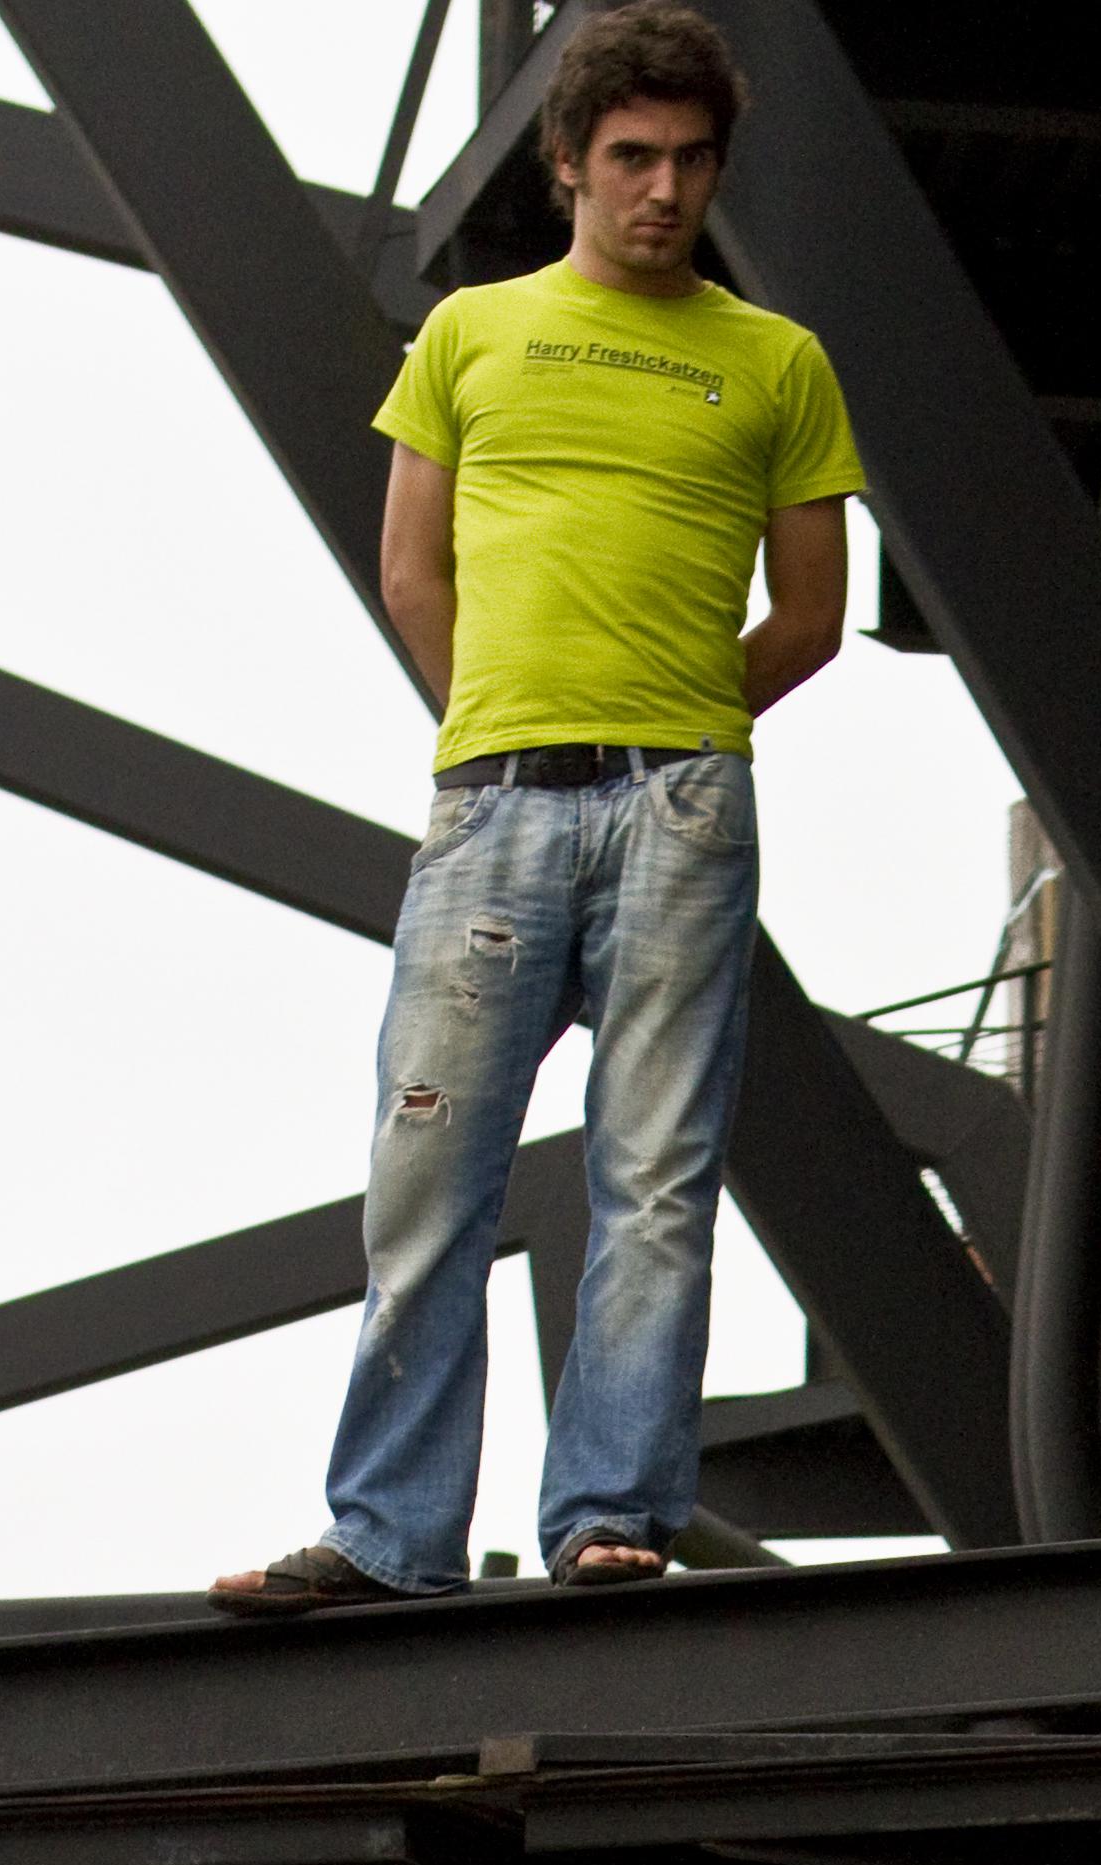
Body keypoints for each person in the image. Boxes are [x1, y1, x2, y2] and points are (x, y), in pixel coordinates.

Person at [215, 7, 861, 1612]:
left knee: (658, 1179)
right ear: (567, 162)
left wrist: (684, 722)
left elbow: (811, 617)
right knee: (430, 1175)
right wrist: (497, 726)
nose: (663, 190)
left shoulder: (778, 361)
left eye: (691, 160)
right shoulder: (471, 334)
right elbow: (410, 570)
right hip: (494, 802)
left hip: (684, 808)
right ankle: (388, 1535)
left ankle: (613, 1517)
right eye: (632, 157)